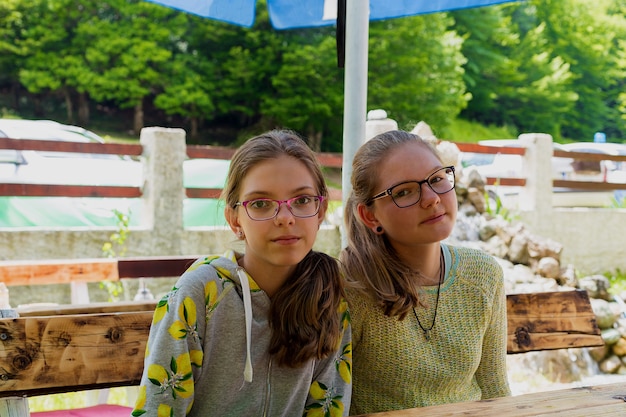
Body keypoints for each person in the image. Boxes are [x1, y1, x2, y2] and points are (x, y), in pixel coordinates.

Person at [131, 130, 352, 417]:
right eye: (261, 204)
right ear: (235, 219)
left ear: (320, 211)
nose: (285, 217)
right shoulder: (200, 294)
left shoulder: (329, 299)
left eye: (301, 200)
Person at [339, 130, 510, 415]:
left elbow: (496, 390)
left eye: (437, 179)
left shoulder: (483, 274)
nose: (431, 199)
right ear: (371, 216)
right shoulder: (351, 287)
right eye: (404, 191)